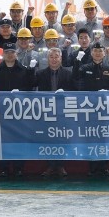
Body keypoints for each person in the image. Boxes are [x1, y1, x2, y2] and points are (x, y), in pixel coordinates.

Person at [0, 47, 36, 177]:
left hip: (20, 111)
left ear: (16, 54)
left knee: (19, 139)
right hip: (1, 110)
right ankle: (3, 167)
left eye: (12, 52)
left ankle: (19, 167)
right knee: (2, 140)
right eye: (7, 52)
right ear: (3, 54)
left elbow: (31, 86)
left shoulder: (24, 70)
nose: (10, 55)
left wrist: (31, 73)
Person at [76, 43, 109, 176]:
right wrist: (77, 61)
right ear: (91, 53)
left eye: (100, 51)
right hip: (89, 109)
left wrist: (107, 92)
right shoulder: (84, 68)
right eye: (95, 51)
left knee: (105, 138)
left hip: (105, 109)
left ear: (104, 53)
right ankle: (92, 166)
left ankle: (104, 166)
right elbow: (76, 79)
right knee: (91, 137)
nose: (98, 53)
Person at [37, 48, 76, 177]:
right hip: (47, 111)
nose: (54, 59)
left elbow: (74, 92)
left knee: (62, 139)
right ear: (48, 59)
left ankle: (60, 166)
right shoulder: (40, 74)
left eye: (56, 57)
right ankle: (50, 166)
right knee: (48, 140)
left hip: (63, 112)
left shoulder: (69, 73)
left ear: (61, 59)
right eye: (51, 57)